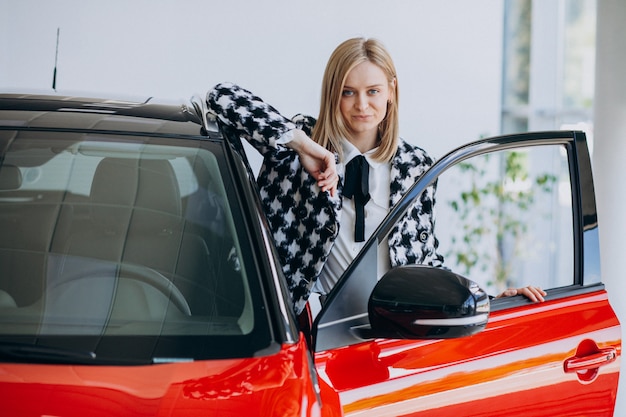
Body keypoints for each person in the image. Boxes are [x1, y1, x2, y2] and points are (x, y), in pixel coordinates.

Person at [206, 37, 546, 315]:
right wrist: (304, 145)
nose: (361, 105)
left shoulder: (416, 165)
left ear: (391, 91)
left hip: (395, 332)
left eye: (373, 91)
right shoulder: (298, 147)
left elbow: (424, 260)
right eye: (348, 92)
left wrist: (487, 299)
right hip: (309, 335)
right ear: (332, 94)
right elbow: (221, 97)